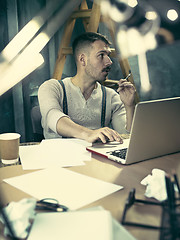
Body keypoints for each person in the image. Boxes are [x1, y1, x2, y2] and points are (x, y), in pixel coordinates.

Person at [38, 32, 136, 143]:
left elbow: (127, 138)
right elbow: (53, 118)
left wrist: (129, 106)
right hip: (59, 158)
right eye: (101, 55)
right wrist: (89, 133)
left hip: (95, 159)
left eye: (108, 55)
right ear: (82, 59)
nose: (109, 62)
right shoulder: (52, 88)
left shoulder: (111, 96)